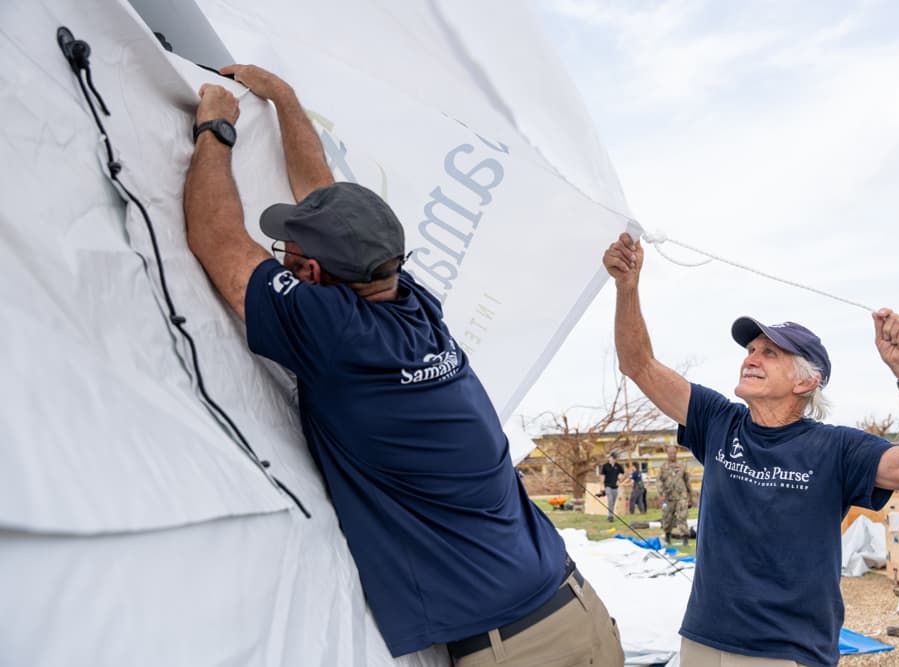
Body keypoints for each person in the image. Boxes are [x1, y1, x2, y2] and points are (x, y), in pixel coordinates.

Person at [183, 64, 624, 666]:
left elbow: (217, 238)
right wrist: (285, 99)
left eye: (286, 251)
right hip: (579, 613)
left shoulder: (336, 333)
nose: (279, 254)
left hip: (516, 651)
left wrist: (217, 129)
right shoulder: (411, 304)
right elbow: (327, 200)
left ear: (311, 276)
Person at [602, 232, 899, 667]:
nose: (751, 358)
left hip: (786, 652)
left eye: (769, 353)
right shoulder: (718, 421)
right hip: (701, 640)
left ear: (806, 381)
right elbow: (638, 364)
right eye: (751, 349)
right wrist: (627, 286)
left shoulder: (837, 448)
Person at [658, 445, 693, 546]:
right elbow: (659, 481)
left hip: (681, 496)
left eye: (674, 453)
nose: (672, 455)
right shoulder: (663, 467)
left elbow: (687, 480)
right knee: (667, 518)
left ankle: (685, 538)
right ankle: (667, 536)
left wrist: (690, 496)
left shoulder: (682, 465)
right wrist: (660, 493)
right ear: (667, 454)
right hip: (668, 497)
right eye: (670, 453)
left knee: (682, 517)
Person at [599, 453, 625, 522]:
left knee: (613, 502)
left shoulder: (618, 466)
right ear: (609, 458)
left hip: (615, 487)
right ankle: (610, 516)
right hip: (607, 486)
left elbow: (622, 473)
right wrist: (601, 487)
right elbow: (602, 476)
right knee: (610, 500)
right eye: (612, 458)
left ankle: (611, 515)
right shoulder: (605, 466)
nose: (613, 459)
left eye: (615, 459)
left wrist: (619, 480)